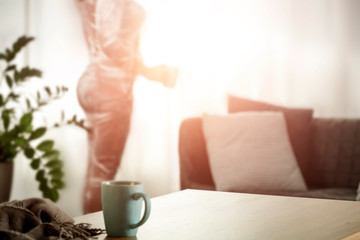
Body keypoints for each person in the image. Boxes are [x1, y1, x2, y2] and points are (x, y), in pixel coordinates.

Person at [75, 0, 177, 214]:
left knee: (96, 173)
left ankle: (84, 232)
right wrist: (148, 70)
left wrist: (145, 70)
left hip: (97, 81)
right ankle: (93, 234)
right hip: (111, 87)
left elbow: (113, 39)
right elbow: (109, 41)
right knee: (103, 174)